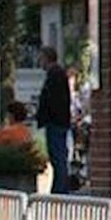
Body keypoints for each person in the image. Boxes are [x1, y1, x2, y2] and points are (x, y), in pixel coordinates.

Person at [36, 46, 71, 194]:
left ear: (46, 58)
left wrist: (43, 115)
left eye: (41, 58)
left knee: (58, 157)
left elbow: (51, 100)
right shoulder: (58, 74)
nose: (39, 61)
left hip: (55, 122)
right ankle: (59, 189)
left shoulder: (54, 75)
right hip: (59, 121)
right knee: (58, 157)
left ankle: (60, 190)